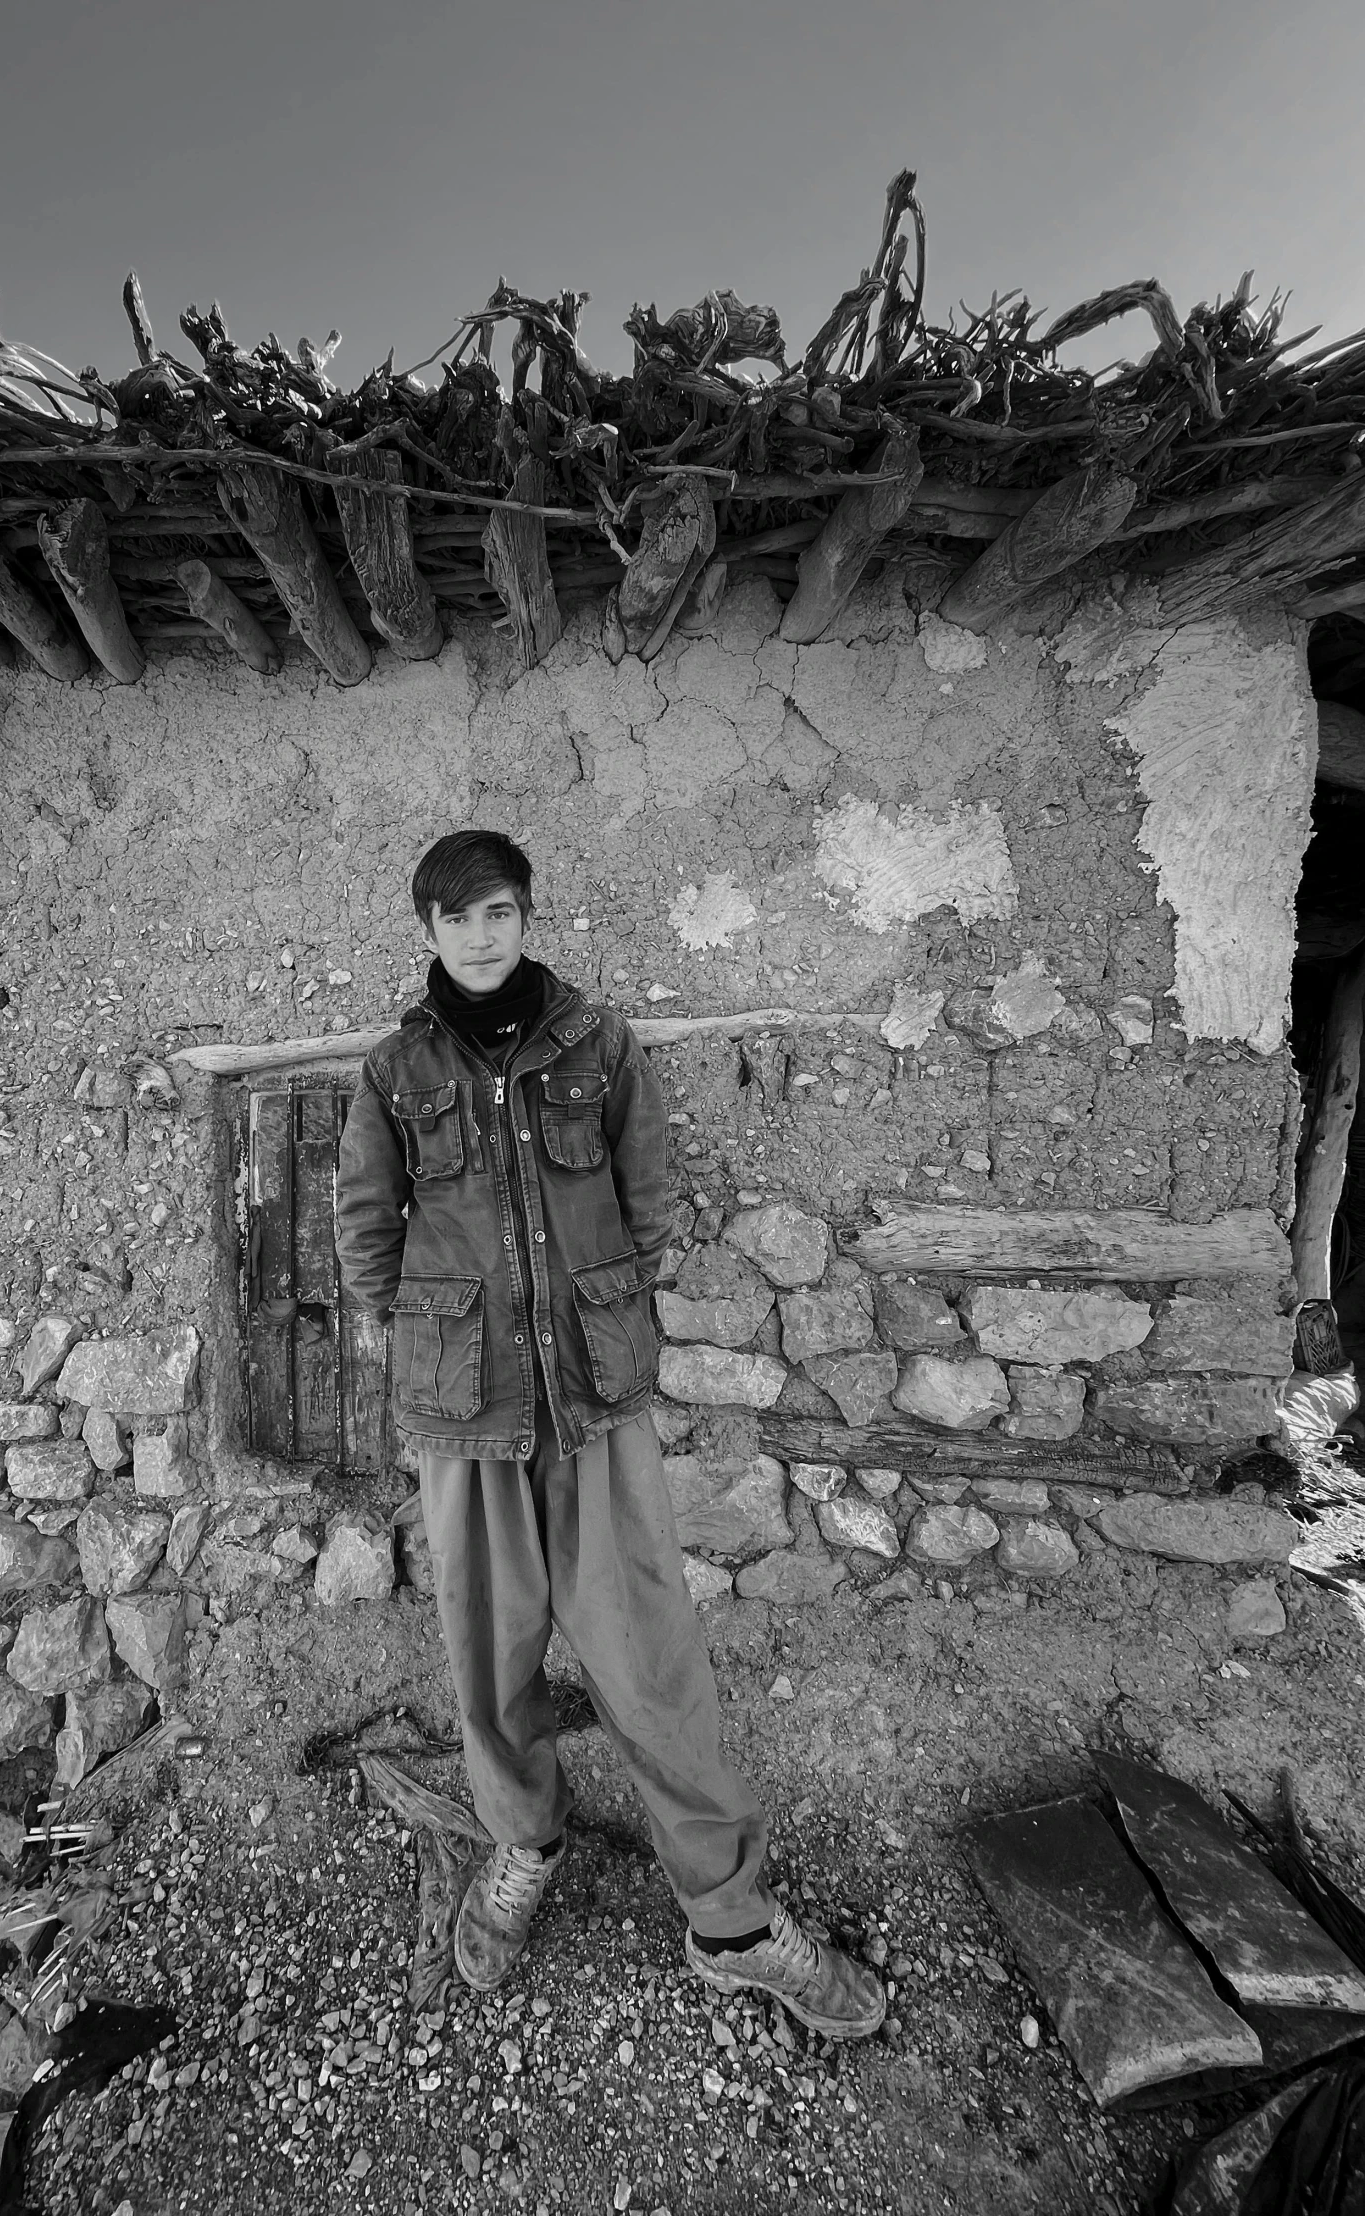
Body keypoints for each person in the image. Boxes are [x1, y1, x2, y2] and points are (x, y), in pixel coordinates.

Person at [334, 829, 883, 2038]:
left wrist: (597, 1312)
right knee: (490, 1656)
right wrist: (441, 1331)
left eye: (501, 911)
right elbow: (367, 1236)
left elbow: (651, 1198)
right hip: (465, 1415)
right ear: (427, 929)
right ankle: (523, 1839)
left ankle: (729, 1916)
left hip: (593, 1400)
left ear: (527, 918)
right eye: (459, 915)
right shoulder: (392, 1070)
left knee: (649, 1657)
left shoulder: (599, 1041)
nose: (483, 934)